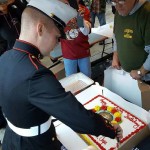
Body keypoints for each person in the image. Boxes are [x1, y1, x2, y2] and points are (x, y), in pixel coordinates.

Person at [0, 0, 123, 149]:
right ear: (40, 29)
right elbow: (79, 118)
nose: (57, 44)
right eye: (57, 38)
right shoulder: (35, 74)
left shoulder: (5, 58)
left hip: (13, 138)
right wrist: (110, 129)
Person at [0, 0, 27, 129]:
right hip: (8, 61)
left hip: (23, 56)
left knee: (25, 86)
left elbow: (27, 12)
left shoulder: (14, 10)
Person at [112, 0, 150, 84]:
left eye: (121, 2)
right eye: (114, 2)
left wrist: (141, 72)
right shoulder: (119, 12)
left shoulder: (146, 14)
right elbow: (116, 36)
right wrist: (115, 55)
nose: (118, 7)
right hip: (126, 74)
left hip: (144, 79)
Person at [61, 0, 92, 77]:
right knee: (71, 79)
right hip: (68, 52)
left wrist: (80, 20)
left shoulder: (84, 10)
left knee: (87, 78)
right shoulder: (59, 11)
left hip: (83, 50)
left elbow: (86, 31)